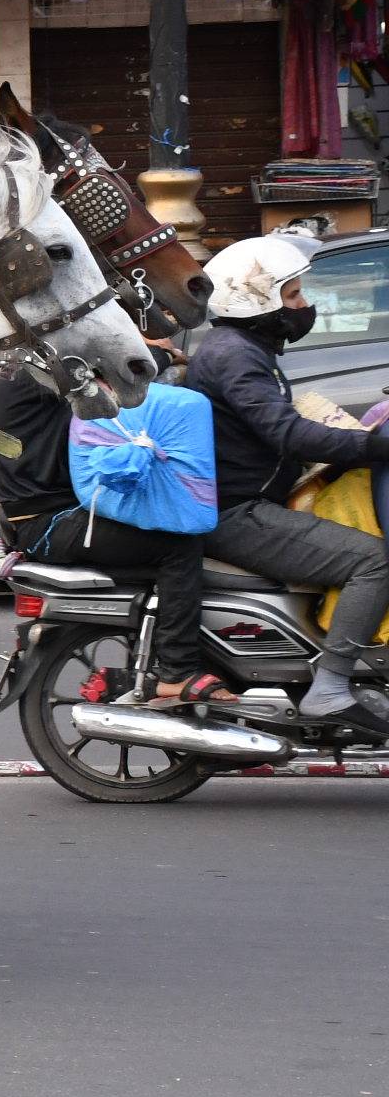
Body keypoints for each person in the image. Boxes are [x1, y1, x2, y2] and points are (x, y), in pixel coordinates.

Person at [186, 234, 389, 728]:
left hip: (251, 500)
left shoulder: (244, 348)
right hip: (237, 513)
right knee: (373, 561)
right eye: (293, 295)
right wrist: (371, 446)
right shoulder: (236, 355)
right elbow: (286, 432)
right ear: (259, 300)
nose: (304, 305)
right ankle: (332, 684)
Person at [0, 358, 218, 703]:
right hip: (49, 522)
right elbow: (116, 368)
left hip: (51, 513)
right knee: (177, 549)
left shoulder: (21, 369)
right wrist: (166, 356)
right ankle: (178, 669)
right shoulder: (33, 372)